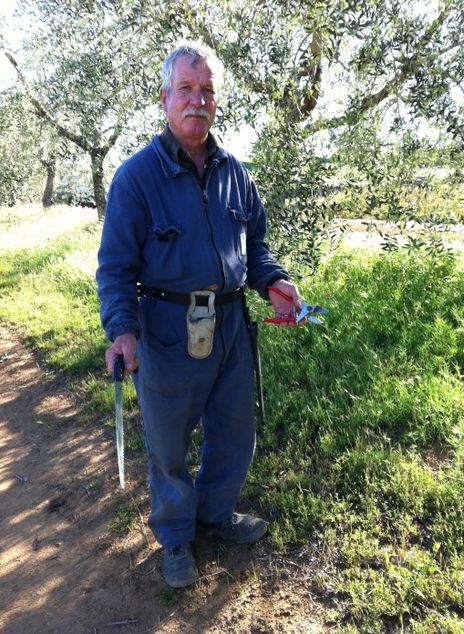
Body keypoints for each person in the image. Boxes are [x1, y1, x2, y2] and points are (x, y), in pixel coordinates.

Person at [96, 41, 301, 588]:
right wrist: (121, 330)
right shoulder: (135, 178)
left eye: (207, 90)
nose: (198, 100)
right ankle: (177, 537)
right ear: (165, 98)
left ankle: (215, 515)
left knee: (234, 432)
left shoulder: (236, 171)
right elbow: (115, 267)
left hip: (232, 325)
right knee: (168, 444)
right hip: (165, 330)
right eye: (186, 89)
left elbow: (254, 244)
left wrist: (273, 280)